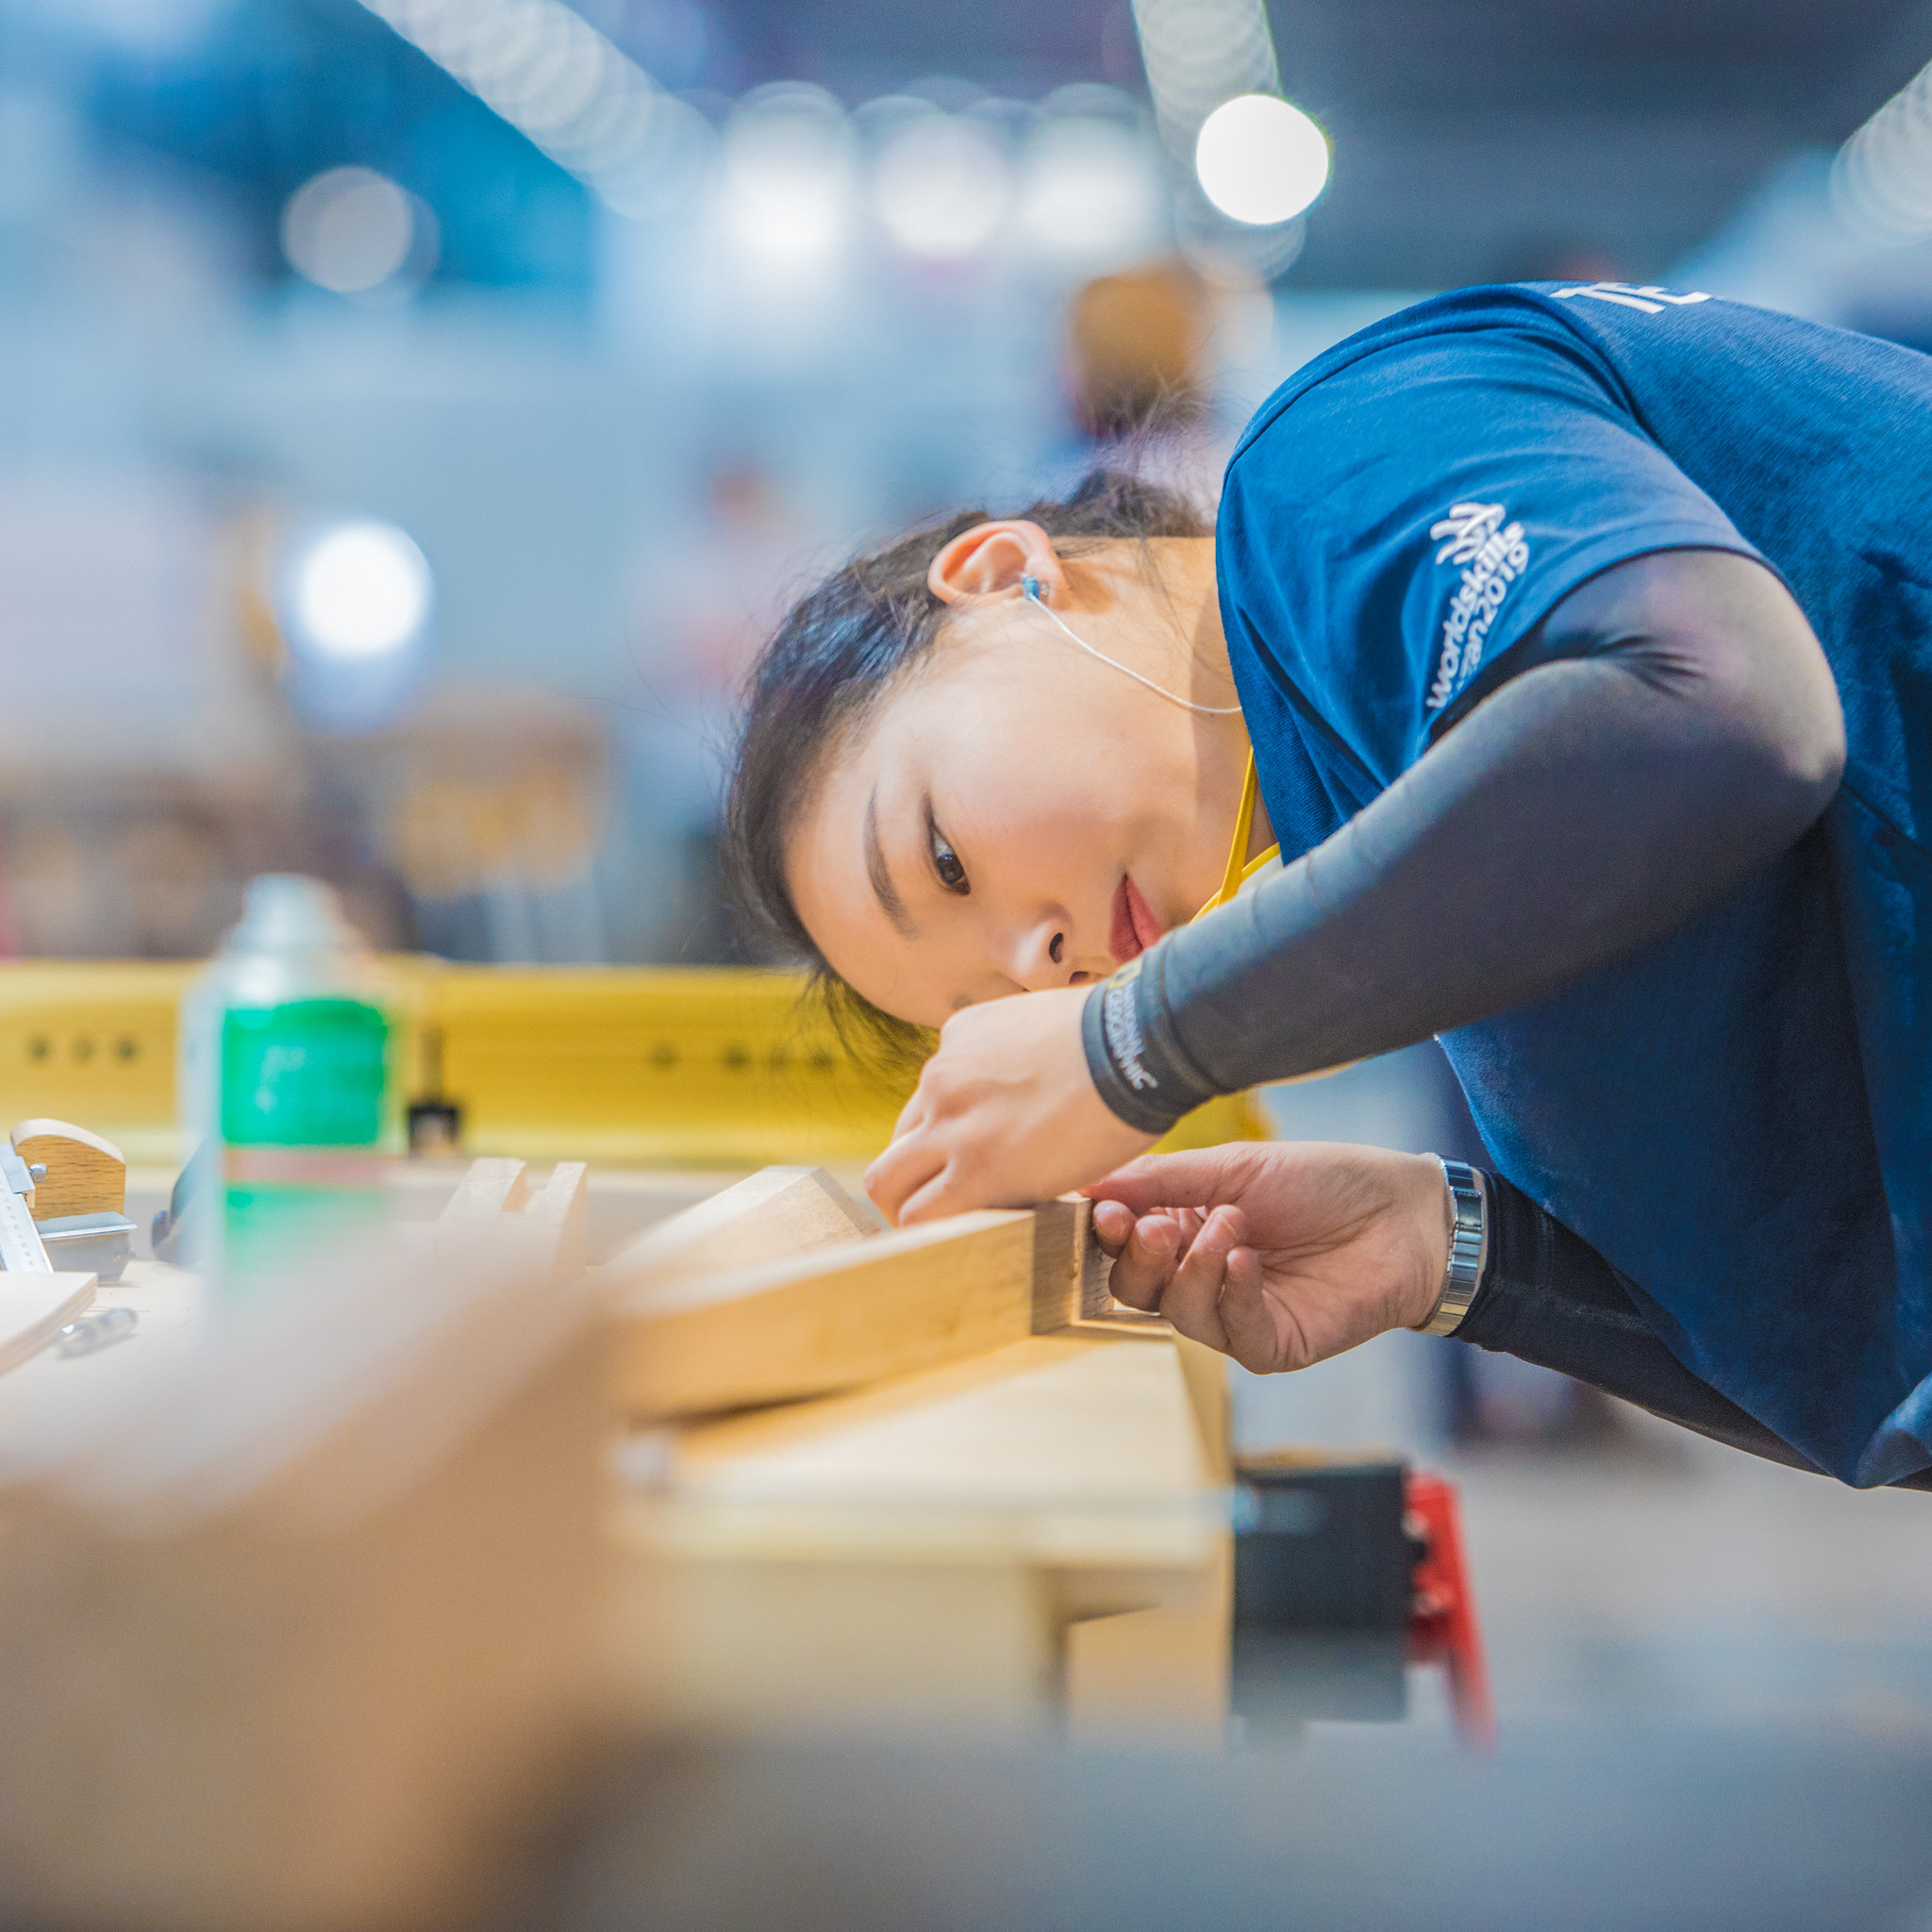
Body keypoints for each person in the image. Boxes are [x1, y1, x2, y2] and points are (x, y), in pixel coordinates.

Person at [723, 279, 1932, 1491]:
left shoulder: (1334, 457)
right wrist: (1448, 1250)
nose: (1040, 968)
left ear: (1000, 575)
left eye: (943, 859)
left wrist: (1135, 1040)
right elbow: (1872, 1381)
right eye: (991, 1004)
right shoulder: (1434, 868)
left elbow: (1714, 704)